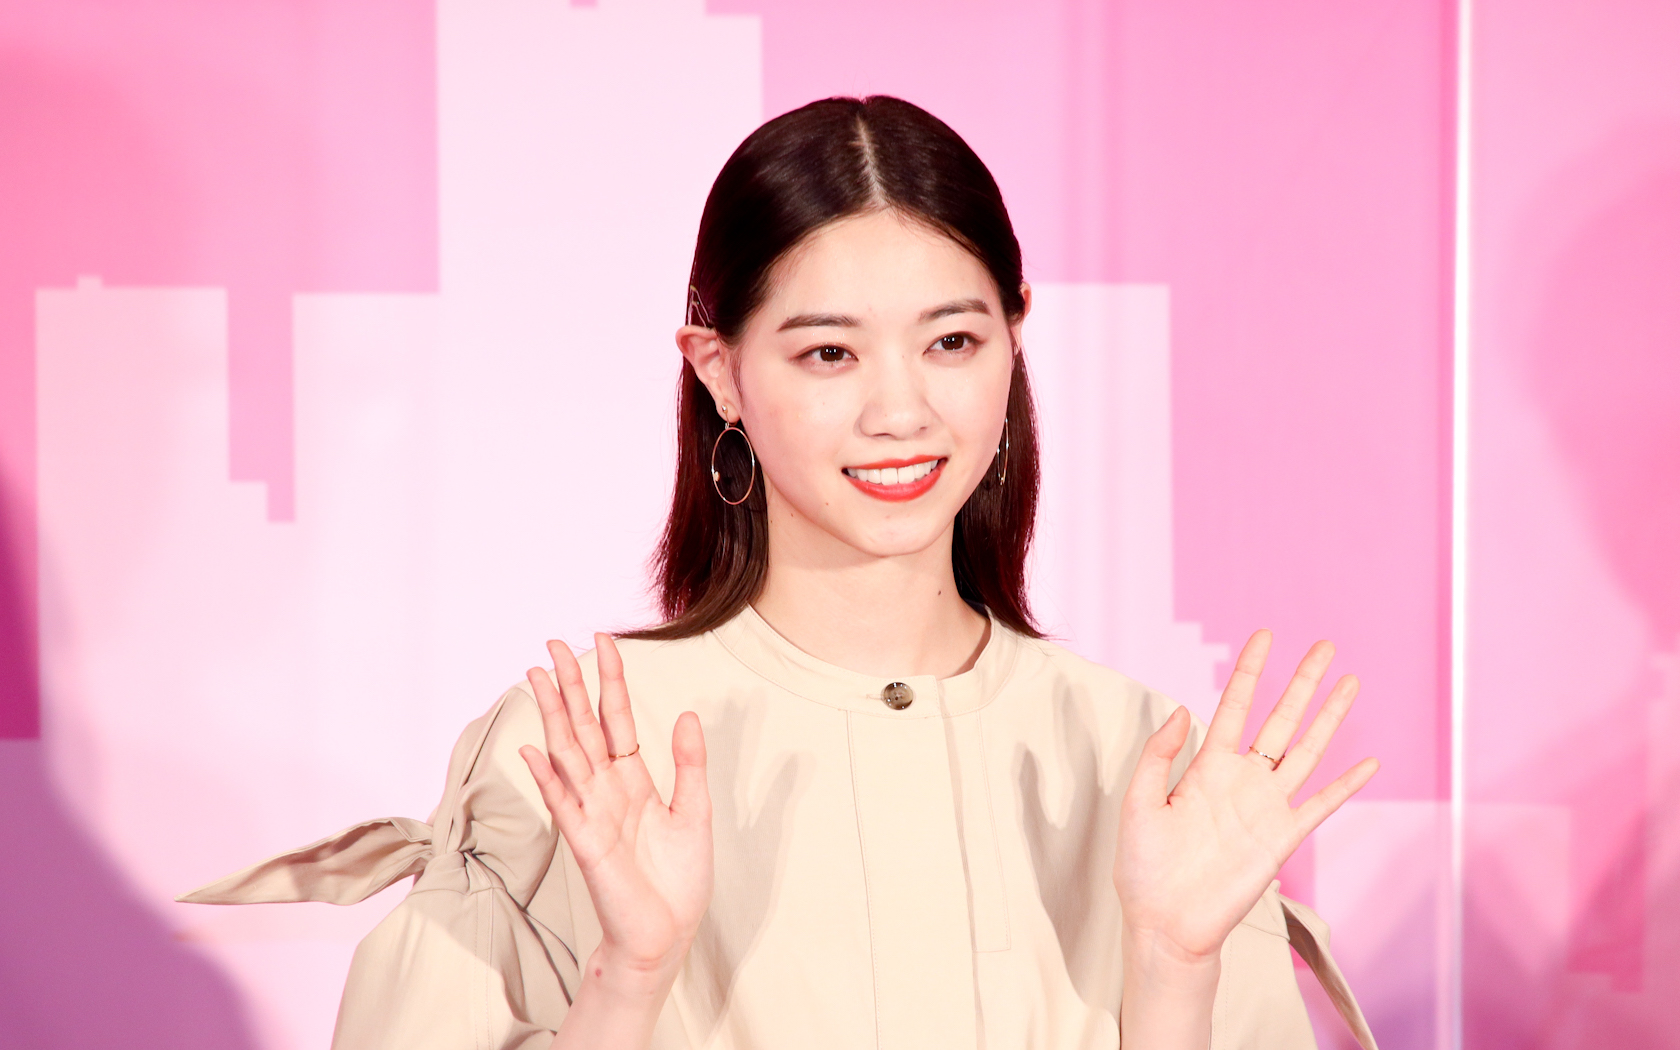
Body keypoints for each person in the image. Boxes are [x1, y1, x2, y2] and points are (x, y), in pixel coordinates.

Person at [183, 96, 1380, 1050]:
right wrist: (630, 976)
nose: (900, 410)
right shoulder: (582, 752)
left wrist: (1171, 972)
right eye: (827, 354)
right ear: (719, 371)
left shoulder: (1145, 766)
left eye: (952, 341)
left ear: (1014, 337)